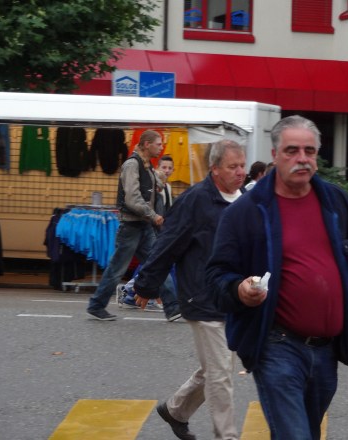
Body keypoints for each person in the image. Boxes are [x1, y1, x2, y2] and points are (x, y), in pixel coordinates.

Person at [205, 115, 348, 440]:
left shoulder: (336, 203)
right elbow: (216, 277)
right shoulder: (245, 212)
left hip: (325, 351)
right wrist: (239, 289)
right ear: (275, 155)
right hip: (276, 347)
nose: (302, 158)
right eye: (292, 150)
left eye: (309, 151)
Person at [134, 139, 246, 440]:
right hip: (202, 295)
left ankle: (176, 410)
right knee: (221, 373)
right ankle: (227, 436)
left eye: (242, 166)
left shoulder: (245, 199)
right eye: (233, 167)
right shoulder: (195, 200)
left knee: (216, 367)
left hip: (235, 297)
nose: (240, 172)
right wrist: (146, 284)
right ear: (214, 169)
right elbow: (167, 244)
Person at [86, 130, 180, 322]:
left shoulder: (146, 165)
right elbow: (132, 198)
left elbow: (148, 190)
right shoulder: (132, 165)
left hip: (143, 225)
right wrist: (154, 216)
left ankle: (173, 307)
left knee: (157, 264)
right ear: (146, 144)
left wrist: (158, 182)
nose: (161, 147)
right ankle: (96, 305)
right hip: (131, 226)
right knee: (118, 269)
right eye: (158, 144)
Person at [118, 154, 177, 310]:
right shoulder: (154, 186)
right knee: (153, 265)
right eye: (164, 167)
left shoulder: (167, 187)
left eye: (170, 168)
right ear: (157, 167)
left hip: (162, 230)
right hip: (154, 229)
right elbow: (153, 209)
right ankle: (132, 292)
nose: (167, 170)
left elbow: (167, 209)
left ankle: (136, 293)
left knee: (152, 265)